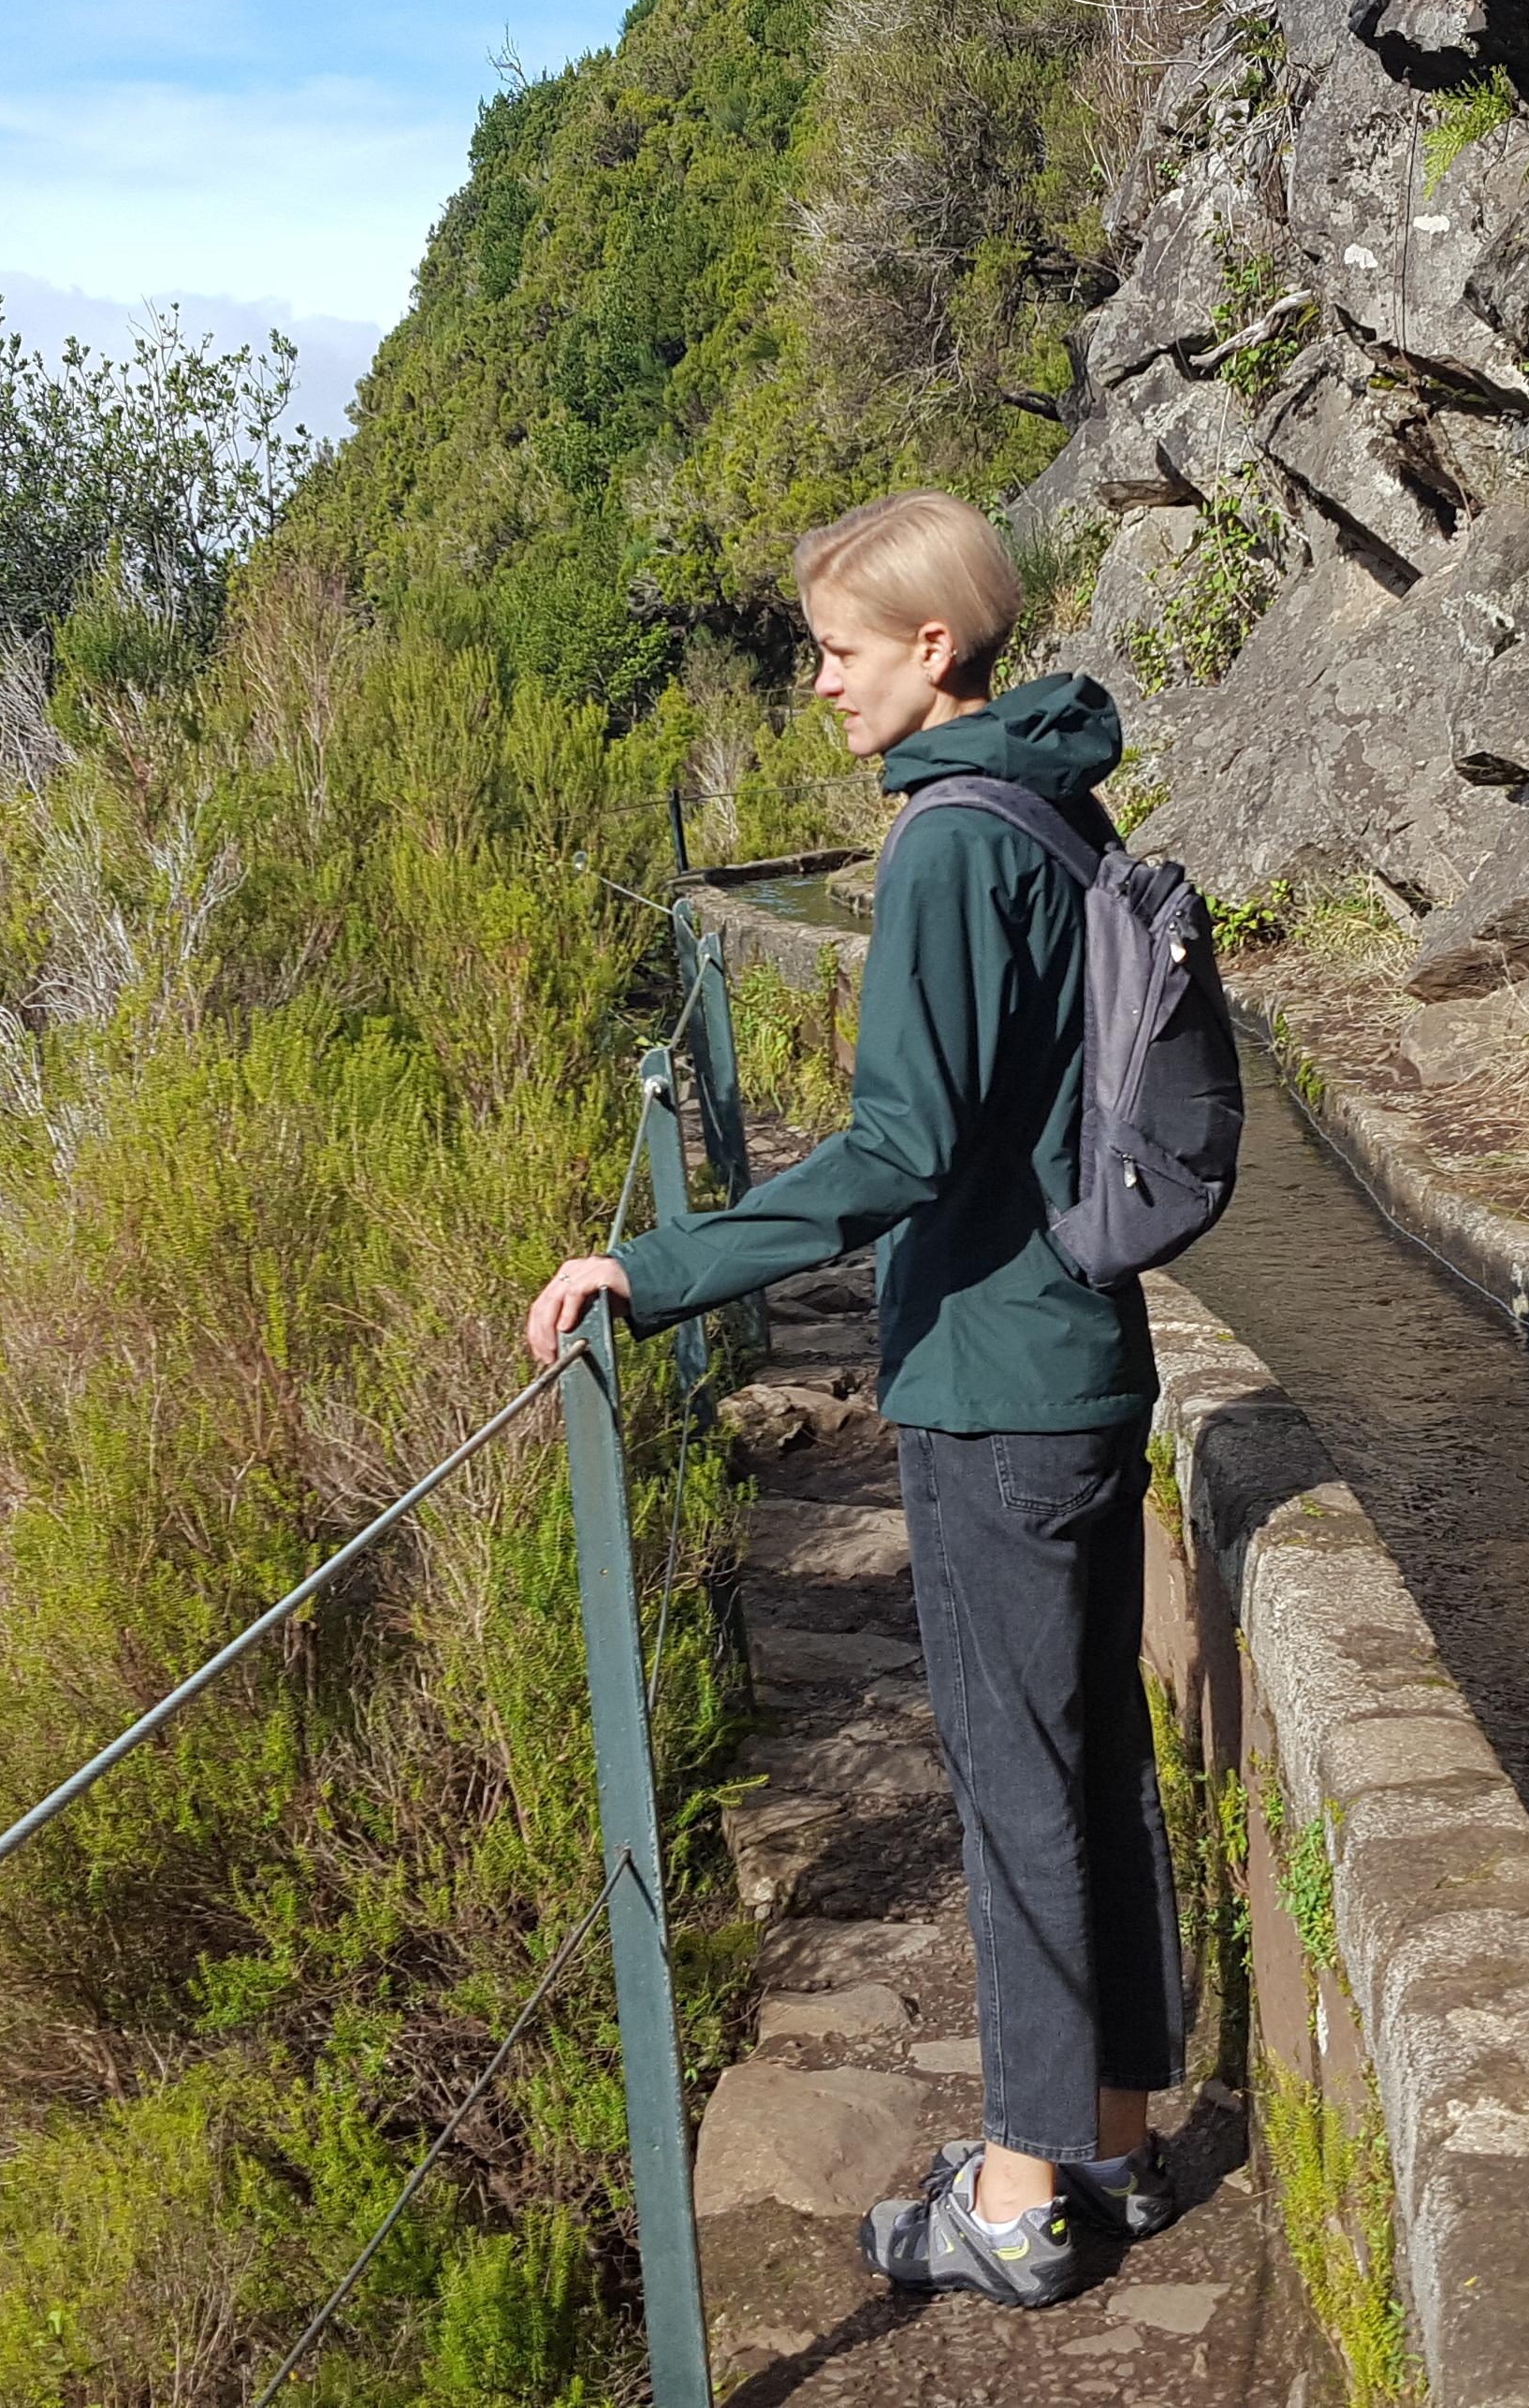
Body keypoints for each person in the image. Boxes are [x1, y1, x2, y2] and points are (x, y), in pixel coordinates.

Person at [521, 489, 1184, 2311]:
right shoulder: (1046, 804)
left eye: (832, 651)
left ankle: (1027, 2194)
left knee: (1016, 1779)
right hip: (1082, 1354)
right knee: (1085, 1757)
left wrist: (655, 1273)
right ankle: (1110, 2143)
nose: (814, 685)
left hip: (996, 1381)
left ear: (929, 648)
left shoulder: (948, 852)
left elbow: (898, 1147)